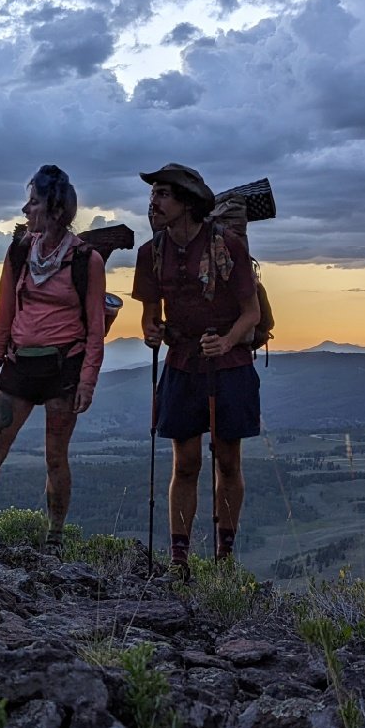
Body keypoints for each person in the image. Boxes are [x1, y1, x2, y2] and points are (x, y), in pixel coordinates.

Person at [0, 166, 106, 553]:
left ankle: (54, 541)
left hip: (63, 370)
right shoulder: (21, 250)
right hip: (19, 366)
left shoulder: (86, 261)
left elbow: (94, 329)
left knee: (56, 457)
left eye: (34, 202)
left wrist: (87, 381)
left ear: (55, 209)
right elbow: (6, 308)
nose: (26, 209)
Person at [133, 163, 261, 579]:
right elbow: (151, 317)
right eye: (154, 194)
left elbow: (251, 313)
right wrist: (152, 331)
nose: (154, 201)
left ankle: (223, 558)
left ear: (187, 203)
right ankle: (179, 561)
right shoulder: (150, 254)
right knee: (185, 462)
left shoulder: (227, 247)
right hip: (183, 362)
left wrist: (226, 342)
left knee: (227, 460)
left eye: (163, 194)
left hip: (228, 364)